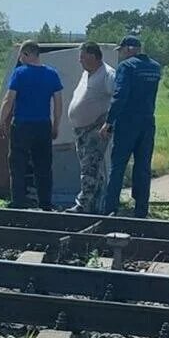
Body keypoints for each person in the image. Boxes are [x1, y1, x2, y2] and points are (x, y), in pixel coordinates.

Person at [101, 35, 162, 218]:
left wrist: (109, 121)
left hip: (128, 122)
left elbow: (120, 95)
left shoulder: (127, 67)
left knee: (118, 165)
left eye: (121, 51)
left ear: (128, 49)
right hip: (147, 121)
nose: (120, 54)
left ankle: (110, 208)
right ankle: (141, 209)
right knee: (143, 166)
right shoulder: (155, 67)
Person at [0, 41, 63, 210]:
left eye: (21, 55)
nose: (20, 59)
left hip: (22, 125)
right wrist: (56, 125)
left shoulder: (19, 73)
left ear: (27, 54)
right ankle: (45, 203)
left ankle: (18, 201)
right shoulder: (52, 74)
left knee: (18, 163)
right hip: (43, 125)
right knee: (43, 165)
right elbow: (58, 103)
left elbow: (8, 100)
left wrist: (1, 122)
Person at [66, 42, 115, 213]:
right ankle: (95, 203)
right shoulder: (87, 73)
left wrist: (106, 121)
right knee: (91, 169)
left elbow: (116, 98)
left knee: (89, 168)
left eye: (83, 57)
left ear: (93, 57)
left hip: (95, 130)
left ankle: (84, 204)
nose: (80, 61)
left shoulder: (108, 75)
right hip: (81, 130)